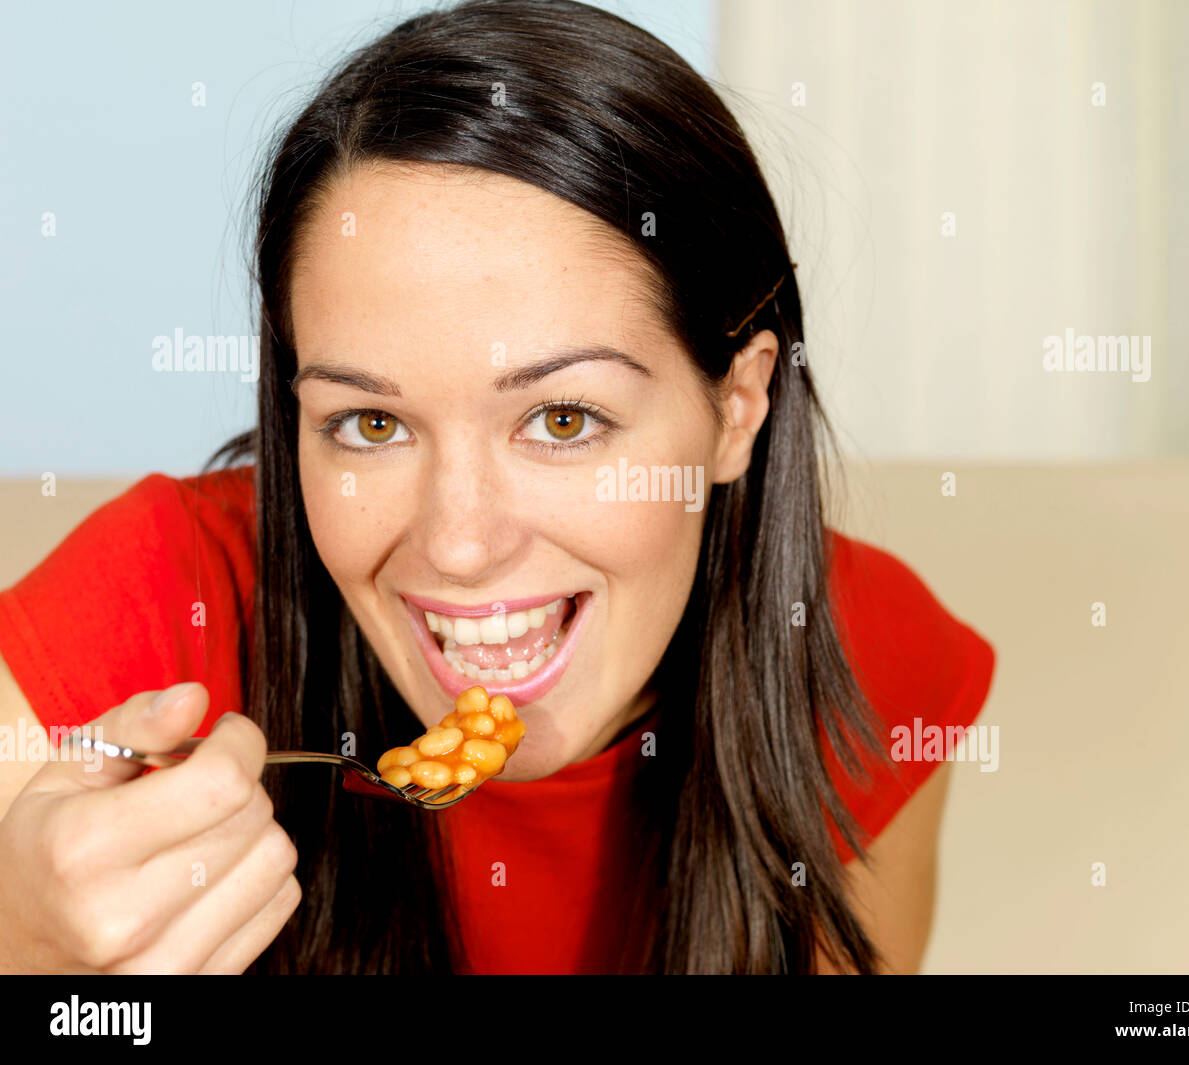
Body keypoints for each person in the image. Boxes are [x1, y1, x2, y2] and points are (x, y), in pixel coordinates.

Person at [0, 0, 994, 974]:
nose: (459, 544)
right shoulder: (155, 613)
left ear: (737, 406)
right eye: (372, 425)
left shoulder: (875, 667)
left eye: (562, 421)